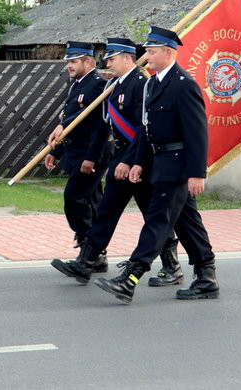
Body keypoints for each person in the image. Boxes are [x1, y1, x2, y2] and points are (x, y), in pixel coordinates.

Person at [94, 26, 219, 304]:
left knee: (157, 221)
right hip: (159, 163)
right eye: (146, 51)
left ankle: (130, 278)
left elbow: (197, 133)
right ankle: (207, 277)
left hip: (178, 166)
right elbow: (146, 130)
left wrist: (198, 173)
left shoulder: (184, 84)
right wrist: (138, 162)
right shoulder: (152, 83)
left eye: (151, 51)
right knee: (187, 223)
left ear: (168, 52)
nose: (146, 56)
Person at [50, 38, 182, 286]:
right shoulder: (114, 85)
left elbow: (144, 128)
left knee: (152, 216)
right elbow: (101, 123)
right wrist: (63, 127)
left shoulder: (141, 84)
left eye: (112, 58)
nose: (107, 63)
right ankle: (87, 262)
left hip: (139, 161)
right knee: (106, 213)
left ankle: (172, 266)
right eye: (107, 58)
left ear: (127, 58)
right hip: (120, 158)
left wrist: (133, 162)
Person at [44, 42, 110, 268]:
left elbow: (100, 127)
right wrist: (56, 151)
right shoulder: (77, 85)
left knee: (73, 199)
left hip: (90, 154)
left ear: (88, 62)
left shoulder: (99, 86)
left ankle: (88, 251)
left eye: (73, 62)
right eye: (68, 62)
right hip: (75, 152)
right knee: (92, 202)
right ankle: (96, 256)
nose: (69, 66)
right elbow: (68, 124)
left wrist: (91, 158)